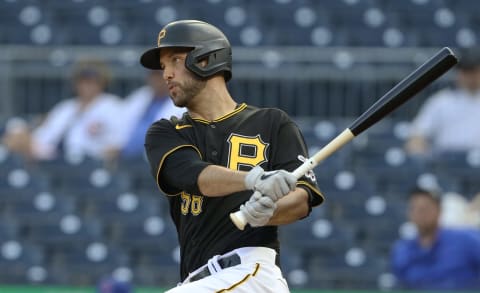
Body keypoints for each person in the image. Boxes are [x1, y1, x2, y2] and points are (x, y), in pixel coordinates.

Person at [141, 20, 323, 292]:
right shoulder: (167, 131)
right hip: (199, 280)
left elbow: (301, 200)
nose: (166, 74)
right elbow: (192, 174)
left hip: (250, 271)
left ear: (206, 59)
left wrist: (270, 211)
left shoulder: (273, 122)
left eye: (175, 61)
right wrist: (255, 179)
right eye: (164, 66)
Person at [2, 59, 123, 161]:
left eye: (92, 80)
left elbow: (118, 144)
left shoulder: (112, 106)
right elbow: (43, 138)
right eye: (83, 80)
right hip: (54, 158)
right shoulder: (65, 107)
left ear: (103, 82)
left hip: (89, 160)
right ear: (75, 83)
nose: (87, 85)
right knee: (15, 133)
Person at [391, 188, 480, 290]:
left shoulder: (466, 240)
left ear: (439, 210)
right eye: (415, 208)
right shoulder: (402, 251)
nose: (420, 214)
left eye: (425, 208)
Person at [406, 47, 480, 156]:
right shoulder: (441, 101)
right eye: (465, 71)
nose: (470, 77)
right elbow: (415, 139)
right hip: (446, 164)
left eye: (473, 71)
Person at [115, 70, 184, 159]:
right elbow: (119, 121)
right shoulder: (141, 95)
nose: (156, 80)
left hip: (156, 160)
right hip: (125, 156)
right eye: (153, 76)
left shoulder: (182, 103)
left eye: (160, 76)